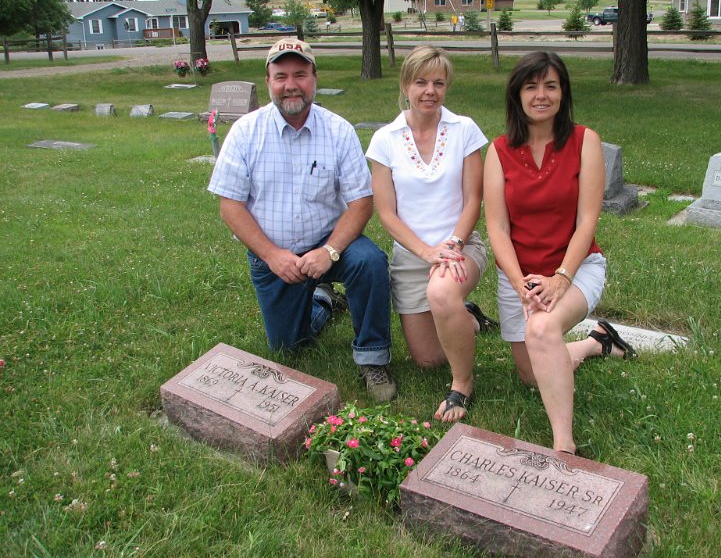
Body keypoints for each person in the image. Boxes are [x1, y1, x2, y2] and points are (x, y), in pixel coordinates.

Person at [208, 38, 396, 402]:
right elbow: (230, 206)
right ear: (268, 82)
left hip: (331, 242)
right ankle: (324, 302)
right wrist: (272, 255)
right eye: (281, 76)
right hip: (274, 255)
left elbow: (361, 202)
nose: (290, 84)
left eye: (300, 74)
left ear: (314, 78)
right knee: (288, 346)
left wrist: (330, 250)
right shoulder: (246, 133)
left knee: (371, 262)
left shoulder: (339, 130)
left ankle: (372, 357)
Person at [483, 51, 637, 454]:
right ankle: (596, 343)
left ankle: (564, 445)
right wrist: (520, 284)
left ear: (563, 92)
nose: (541, 95)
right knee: (531, 373)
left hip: (575, 267)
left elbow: (587, 221)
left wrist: (561, 278)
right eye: (531, 86)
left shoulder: (585, 141)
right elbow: (497, 228)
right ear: (517, 95)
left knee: (541, 330)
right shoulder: (499, 151)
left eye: (550, 85)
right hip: (519, 275)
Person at [366, 46, 496, 423]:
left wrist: (453, 244)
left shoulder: (464, 130)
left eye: (439, 83)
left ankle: (462, 384)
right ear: (406, 84)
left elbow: (475, 199)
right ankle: (466, 317)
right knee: (426, 359)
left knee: (441, 290)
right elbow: (386, 213)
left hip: (460, 247)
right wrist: (425, 252)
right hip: (411, 257)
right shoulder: (385, 139)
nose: (430, 91)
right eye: (421, 82)